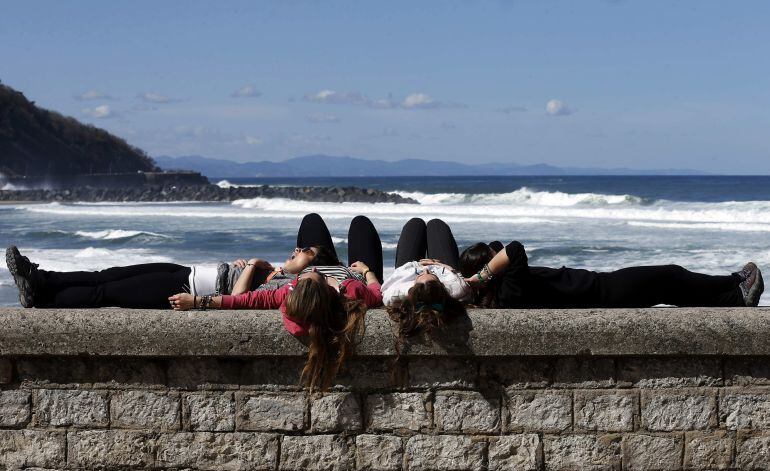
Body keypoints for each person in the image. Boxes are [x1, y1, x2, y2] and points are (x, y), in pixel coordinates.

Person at [168, 219, 384, 391]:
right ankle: (327, 255)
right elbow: (377, 292)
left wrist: (197, 301)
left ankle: (313, 253)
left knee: (312, 221)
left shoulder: (288, 290)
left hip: (320, 263)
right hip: (351, 270)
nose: (312, 273)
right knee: (360, 225)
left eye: (303, 278)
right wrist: (367, 271)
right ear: (325, 292)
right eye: (312, 275)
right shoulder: (352, 290)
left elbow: (239, 300)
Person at [4, 213, 381, 309]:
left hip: (186, 288)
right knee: (109, 273)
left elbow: (238, 301)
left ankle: (41, 297)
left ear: (314, 264)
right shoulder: (283, 272)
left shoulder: (288, 285)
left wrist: (251, 267)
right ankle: (41, 277)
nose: (294, 252)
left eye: (302, 253)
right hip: (188, 271)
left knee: (107, 292)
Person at [459, 241, 765, 308]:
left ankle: (731, 299)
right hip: (604, 291)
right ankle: (734, 285)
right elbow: (513, 250)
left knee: (669, 289)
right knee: (670, 276)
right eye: (489, 257)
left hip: (601, 287)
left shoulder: (507, 292)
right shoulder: (511, 290)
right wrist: (475, 279)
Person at [382, 218, 470, 337]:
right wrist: (439, 265)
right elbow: (458, 279)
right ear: (442, 287)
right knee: (436, 224)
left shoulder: (396, 293)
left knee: (415, 224)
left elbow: (388, 283)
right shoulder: (455, 289)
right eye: (433, 276)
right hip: (442, 268)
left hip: (407, 269)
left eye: (420, 276)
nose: (426, 270)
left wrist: (416, 264)